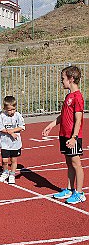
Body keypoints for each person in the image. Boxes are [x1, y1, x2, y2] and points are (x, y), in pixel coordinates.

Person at [42, 66, 86, 204]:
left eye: (63, 79)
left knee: (76, 164)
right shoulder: (68, 96)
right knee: (69, 163)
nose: (62, 81)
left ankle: (79, 192)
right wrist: (51, 125)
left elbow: (78, 119)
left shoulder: (77, 97)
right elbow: (63, 116)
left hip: (72, 137)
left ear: (71, 79)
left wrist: (74, 138)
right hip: (64, 134)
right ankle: (69, 188)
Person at [0, 96, 25, 184]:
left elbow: (22, 127)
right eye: (9, 110)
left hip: (15, 143)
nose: (11, 112)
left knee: (13, 160)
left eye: (13, 109)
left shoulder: (18, 116)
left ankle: (12, 174)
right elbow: (1, 128)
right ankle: (5, 172)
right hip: (5, 143)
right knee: (5, 160)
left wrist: (13, 131)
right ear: (5, 108)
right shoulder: (2, 116)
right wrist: (10, 133)